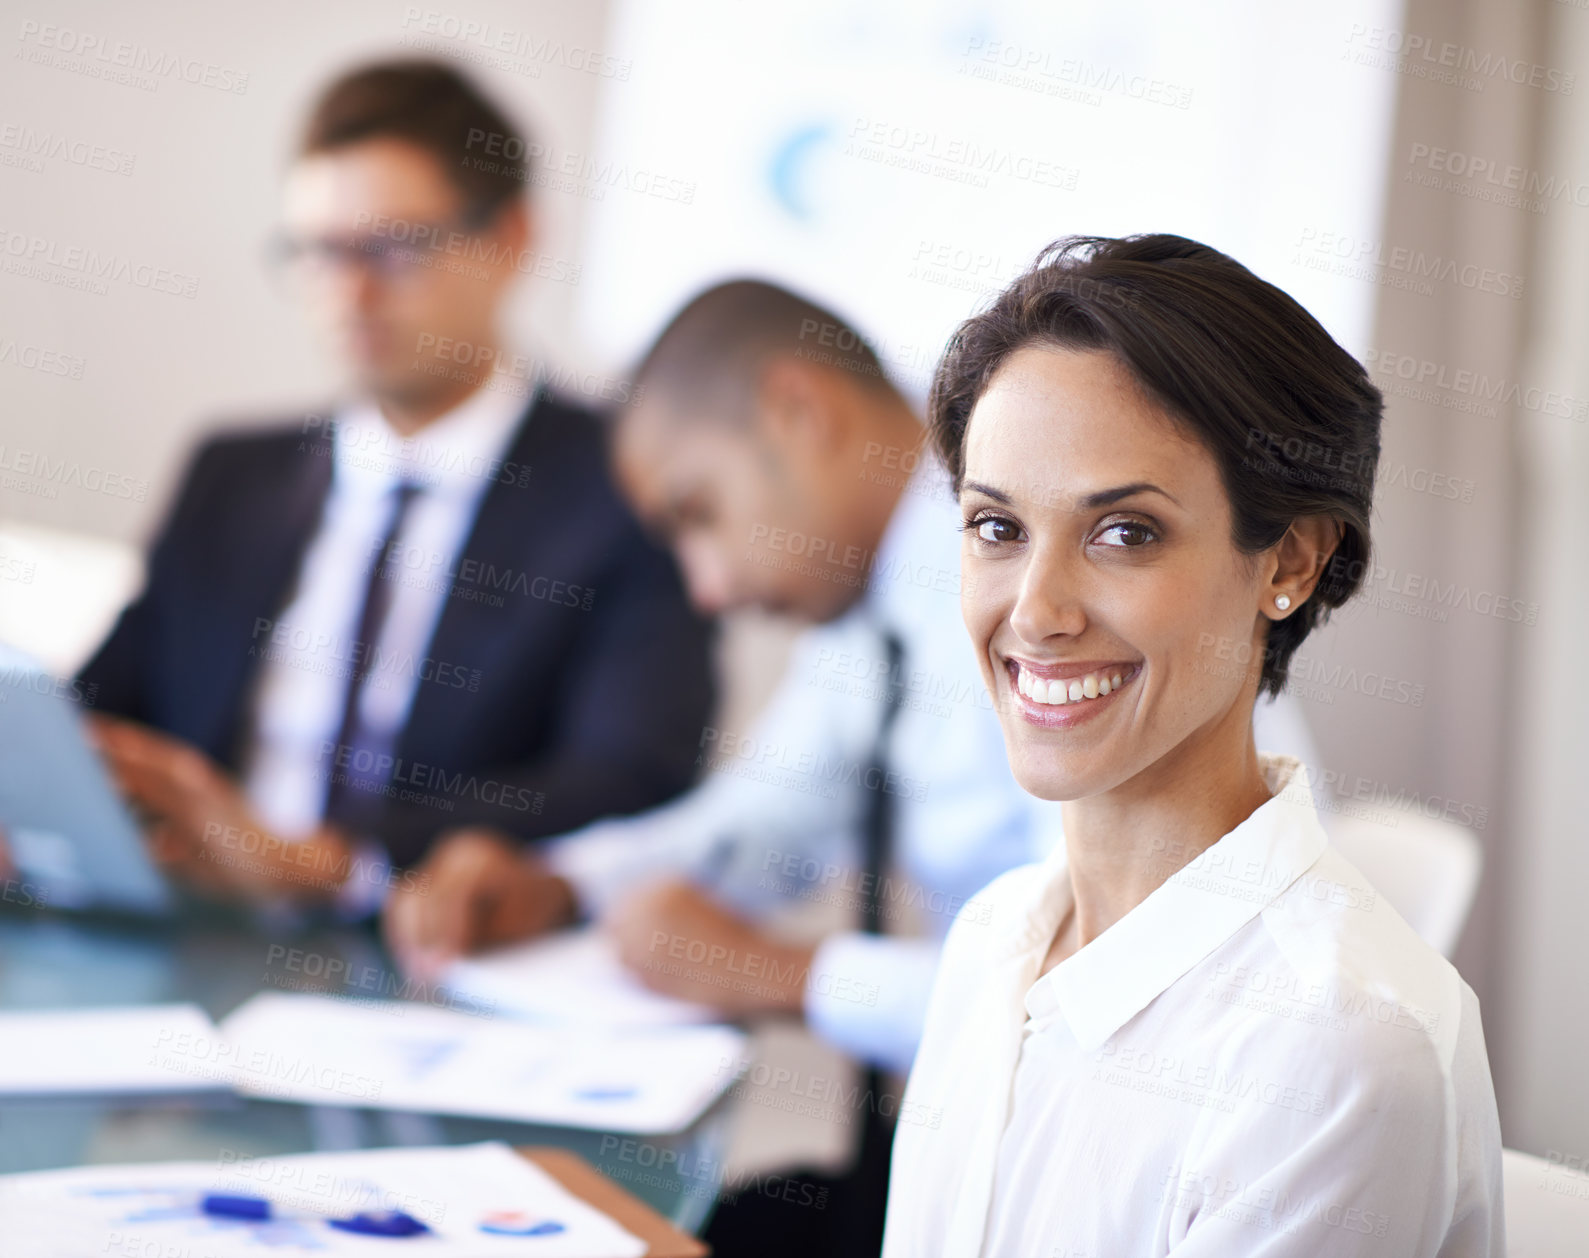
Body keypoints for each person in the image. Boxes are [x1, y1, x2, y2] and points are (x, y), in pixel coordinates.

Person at [380, 277, 1320, 1256]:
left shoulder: (1056, 632)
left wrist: (770, 972)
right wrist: (561, 881)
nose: (707, 589)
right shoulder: (873, 614)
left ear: (798, 412)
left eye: (699, 514)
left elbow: (1110, 1004)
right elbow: (763, 826)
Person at [881, 235, 1503, 1256]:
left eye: (1122, 533)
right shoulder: (994, 940)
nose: (1033, 612)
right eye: (996, 528)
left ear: (1288, 561)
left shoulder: (1339, 1046)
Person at [77, 59, 714, 910]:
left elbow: (632, 774)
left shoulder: (620, 486)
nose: (349, 290)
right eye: (317, 251)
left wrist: (328, 861)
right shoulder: (231, 476)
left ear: (511, 238)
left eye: (394, 246)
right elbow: (109, 707)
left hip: (429, 949)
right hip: (193, 922)